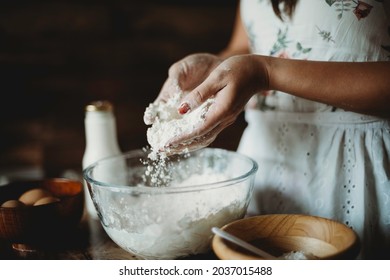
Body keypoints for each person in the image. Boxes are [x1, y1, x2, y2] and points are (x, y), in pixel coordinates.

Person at [144, 0, 390, 259]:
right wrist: (217, 67)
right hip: (267, 160)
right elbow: (248, 44)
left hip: (361, 165)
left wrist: (265, 72)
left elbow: (260, 65)